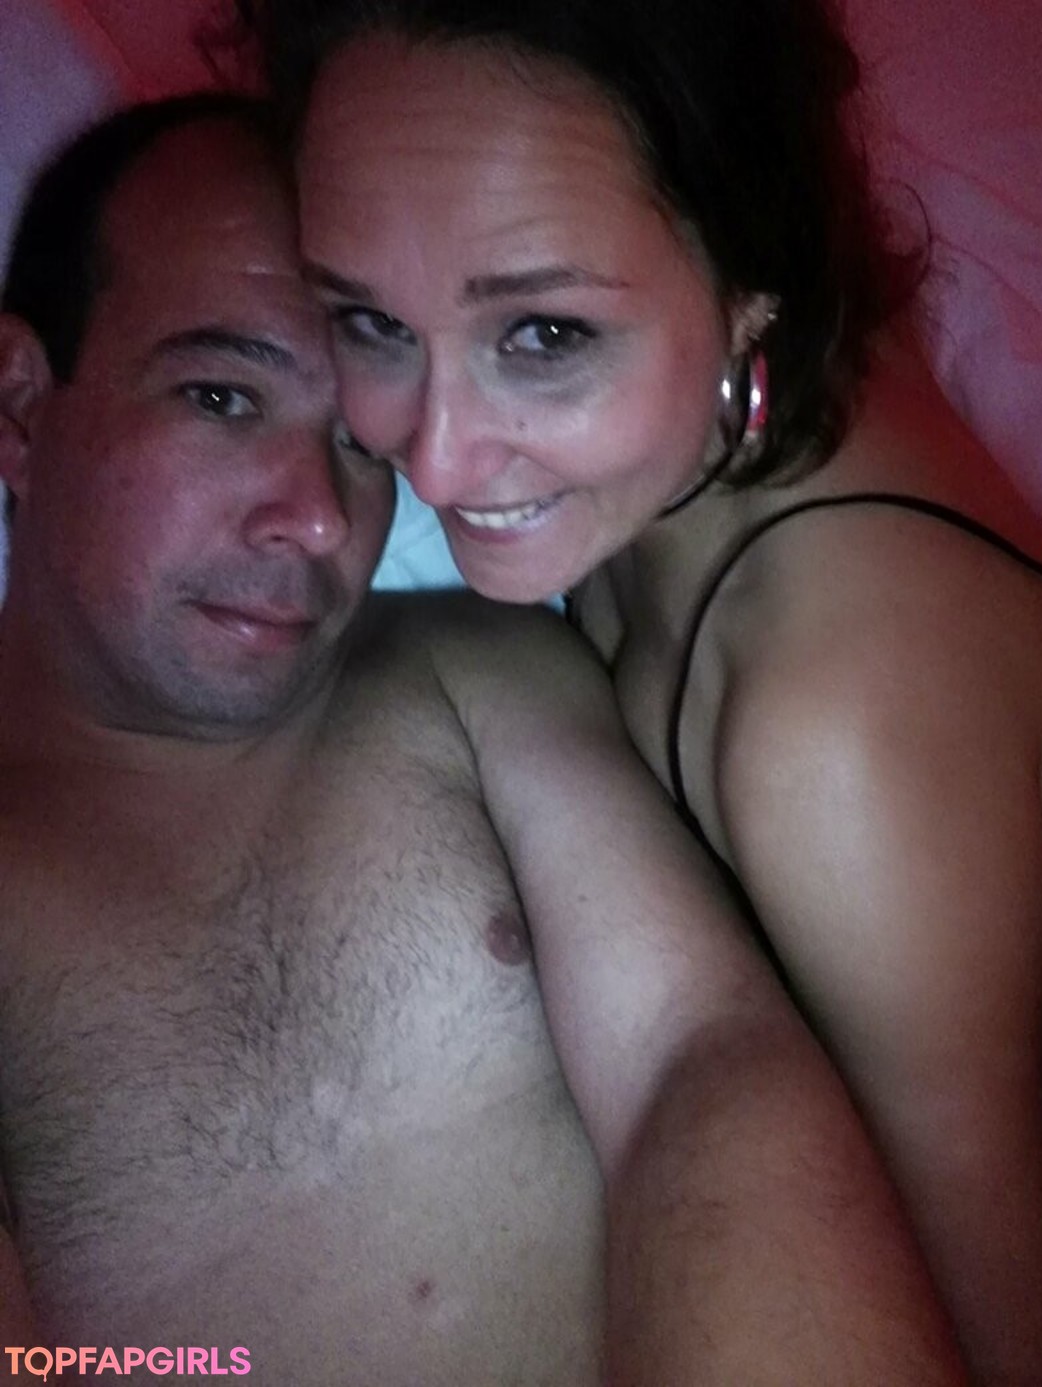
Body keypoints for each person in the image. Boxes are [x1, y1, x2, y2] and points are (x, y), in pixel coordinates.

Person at [0, 94, 966, 1385]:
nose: (318, 518)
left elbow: (702, 1059)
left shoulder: (472, 670)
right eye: (222, 397)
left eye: (359, 442)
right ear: (21, 405)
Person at [237, 0, 1042, 1378]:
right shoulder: (708, 406)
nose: (436, 461)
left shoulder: (833, 738)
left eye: (543, 335)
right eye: (370, 321)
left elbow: (1010, 1340)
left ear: (752, 281)